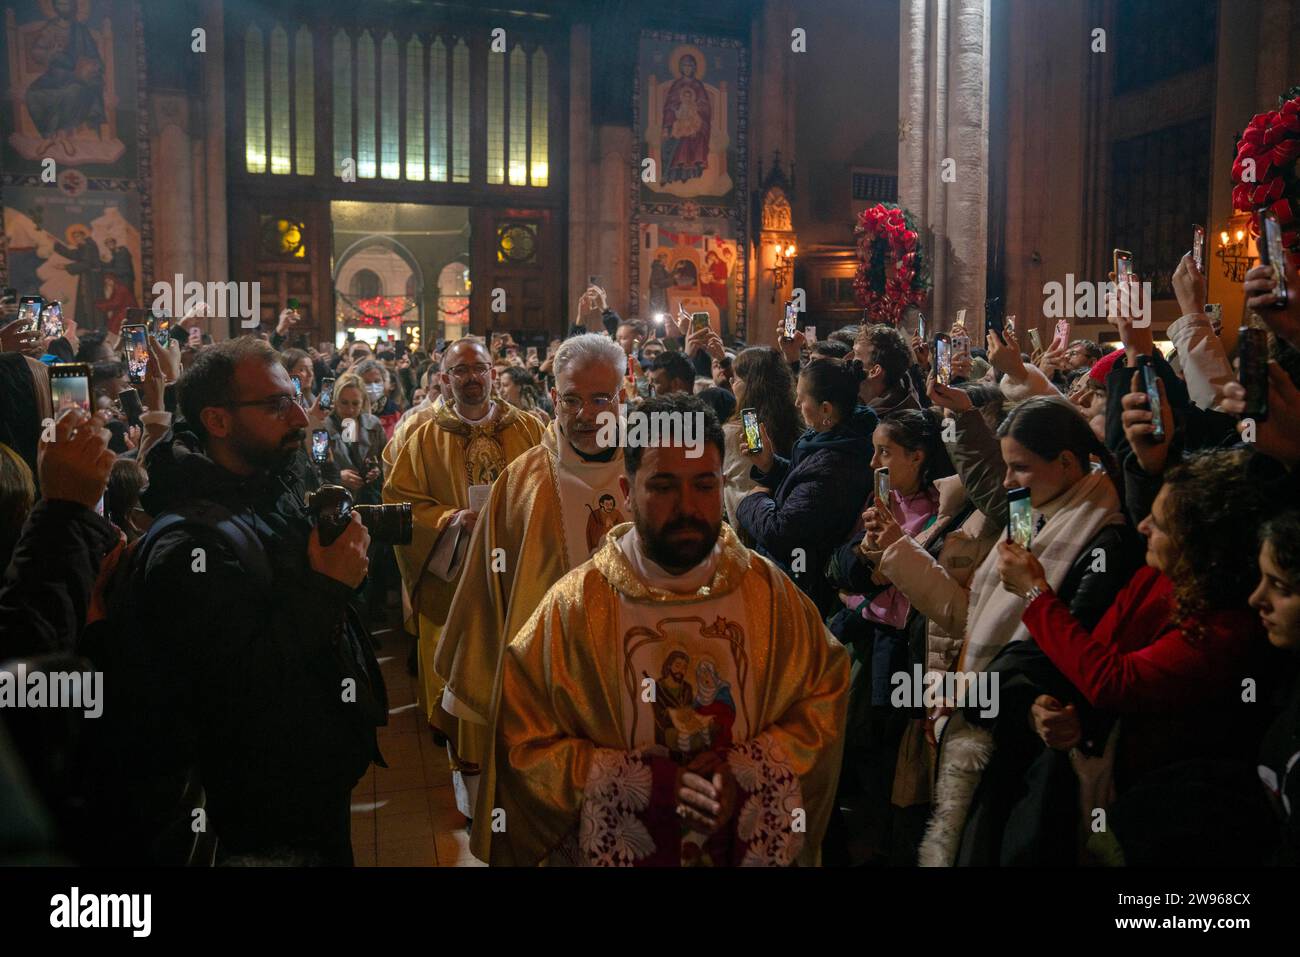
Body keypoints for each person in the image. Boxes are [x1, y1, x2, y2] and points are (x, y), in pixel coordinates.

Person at [484, 393, 850, 865]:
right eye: (662, 486)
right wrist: (647, 786)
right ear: (627, 491)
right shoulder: (573, 608)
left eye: (704, 485)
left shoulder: (769, 594)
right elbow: (524, 745)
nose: (687, 507)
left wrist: (746, 774)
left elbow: (824, 696)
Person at [99, 337, 387, 865]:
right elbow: (240, 684)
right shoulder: (188, 544)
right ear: (217, 420)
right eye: (277, 404)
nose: (301, 415)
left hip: (311, 781)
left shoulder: (268, 482)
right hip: (258, 815)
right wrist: (330, 585)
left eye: (296, 396)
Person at [912, 395, 1142, 866]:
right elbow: (984, 610)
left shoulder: (1106, 539)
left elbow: (1064, 649)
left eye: (1020, 468)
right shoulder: (1033, 513)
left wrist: (978, 695)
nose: (1007, 481)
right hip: (999, 718)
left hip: (1041, 742)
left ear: (1067, 462)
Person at [435, 334, 630, 852]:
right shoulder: (521, 482)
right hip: (549, 695)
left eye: (600, 397)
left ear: (623, 394)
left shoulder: (652, 470)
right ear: (551, 397)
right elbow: (485, 592)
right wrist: (473, 685)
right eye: (570, 398)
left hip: (640, 685)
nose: (584, 413)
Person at [383, 337, 543, 813]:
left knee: (520, 676)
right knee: (463, 676)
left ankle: (521, 770)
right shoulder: (422, 435)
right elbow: (399, 504)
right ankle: (469, 777)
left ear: (494, 373)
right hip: (453, 584)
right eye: (460, 371)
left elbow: (555, 487)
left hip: (519, 579)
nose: (472, 378)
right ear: (444, 378)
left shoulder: (531, 429)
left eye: (480, 368)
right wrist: (452, 521)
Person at [735, 358, 877, 615]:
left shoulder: (836, 464)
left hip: (802, 586)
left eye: (802, 398)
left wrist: (750, 502)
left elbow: (782, 532)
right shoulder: (836, 437)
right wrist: (769, 465)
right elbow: (801, 485)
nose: (797, 404)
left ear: (825, 409)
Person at [721, 347, 800, 524]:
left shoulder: (738, 431)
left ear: (752, 384)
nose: (731, 382)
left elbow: (739, 489)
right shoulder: (797, 419)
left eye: (736, 378)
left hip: (753, 522)